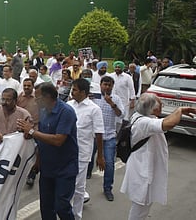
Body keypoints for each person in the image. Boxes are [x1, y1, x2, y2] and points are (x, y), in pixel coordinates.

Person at [120, 93, 196, 220]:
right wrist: (179, 110)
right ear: (154, 109)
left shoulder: (141, 117)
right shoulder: (144, 123)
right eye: (160, 104)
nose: (162, 106)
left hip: (143, 168)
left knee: (143, 206)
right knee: (139, 207)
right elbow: (168, 124)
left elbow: (165, 121)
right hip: (142, 171)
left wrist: (178, 112)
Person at [17, 82, 78, 220]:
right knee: (46, 207)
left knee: (61, 206)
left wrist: (31, 131)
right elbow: (42, 139)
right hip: (47, 168)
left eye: (37, 98)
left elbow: (58, 140)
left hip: (65, 168)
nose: (35, 101)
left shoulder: (66, 112)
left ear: (48, 97)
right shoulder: (44, 112)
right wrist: (37, 161)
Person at [67, 79, 105, 220]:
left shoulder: (94, 109)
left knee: (78, 187)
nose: (72, 92)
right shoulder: (68, 105)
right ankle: (66, 214)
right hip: (66, 153)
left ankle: (75, 216)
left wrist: (100, 156)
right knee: (66, 185)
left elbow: (99, 133)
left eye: (75, 90)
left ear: (83, 92)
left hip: (82, 154)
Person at [87, 76, 124, 201]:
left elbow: (121, 114)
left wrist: (112, 104)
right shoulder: (93, 97)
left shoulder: (117, 99)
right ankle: (83, 184)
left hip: (109, 136)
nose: (107, 87)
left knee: (109, 163)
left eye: (109, 85)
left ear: (113, 86)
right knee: (87, 160)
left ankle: (108, 188)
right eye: (105, 85)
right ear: (100, 85)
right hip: (93, 135)